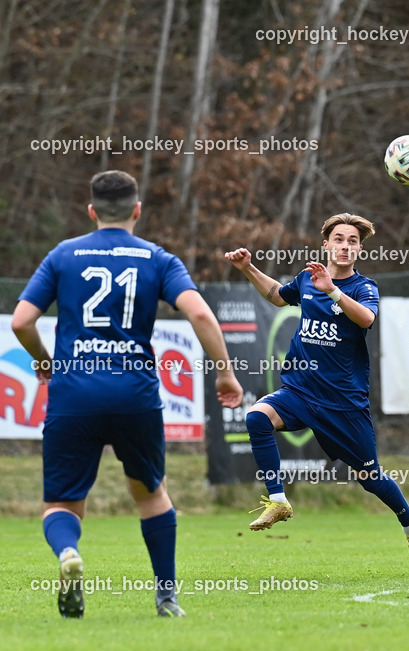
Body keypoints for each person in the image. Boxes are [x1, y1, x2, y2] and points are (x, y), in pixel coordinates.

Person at [12, 170, 244, 618]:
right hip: (134, 396)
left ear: (92, 211)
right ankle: (166, 597)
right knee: (150, 492)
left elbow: (21, 320)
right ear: (138, 210)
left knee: (62, 502)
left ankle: (68, 555)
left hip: (74, 393)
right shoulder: (159, 259)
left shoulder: (63, 255)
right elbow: (199, 314)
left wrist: (43, 360)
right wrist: (225, 374)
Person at [224, 213, 409, 574]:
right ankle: (278, 500)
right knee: (256, 416)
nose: (345, 245)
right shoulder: (306, 278)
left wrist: (332, 289)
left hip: (344, 403)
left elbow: (366, 318)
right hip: (301, 390)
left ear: (359, 249)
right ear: (327, 244)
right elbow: (276, 296)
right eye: (339, 239)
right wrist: (248, 268)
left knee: (370, 478)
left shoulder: (363, 287)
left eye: (352, 241)